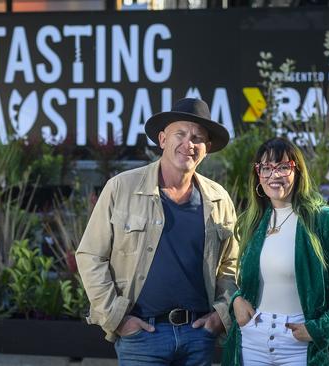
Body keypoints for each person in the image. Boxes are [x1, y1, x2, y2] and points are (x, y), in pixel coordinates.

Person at [76, 98, 238, 366]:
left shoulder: (219, 199)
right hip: (142, 337)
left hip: (199, 336)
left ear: (206, 149)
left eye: (197, 138)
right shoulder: (121, 188)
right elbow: (91, 255)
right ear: (163, 139)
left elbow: (232, 264)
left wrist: (220, 316)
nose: (189, 143)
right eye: (181, 134)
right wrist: (117, 319)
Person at [221, 137, 329, 366]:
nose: (274, 175)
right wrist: (236, 300)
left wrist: (318, 330)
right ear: (258, 174)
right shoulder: (252, 222)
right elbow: (244, 281)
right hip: (252, 340)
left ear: (297, 171)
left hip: (299, 344)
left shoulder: (323, 219)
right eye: (266, 168)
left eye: (283, 167)